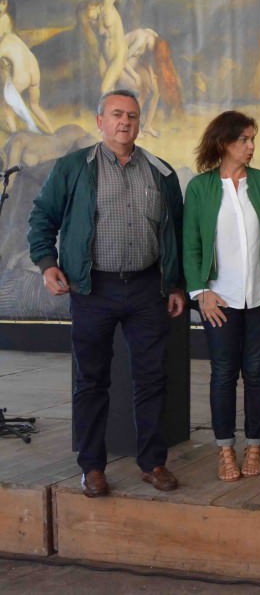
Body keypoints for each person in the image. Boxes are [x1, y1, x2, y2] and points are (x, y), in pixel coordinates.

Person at [27, 89, 185, 497]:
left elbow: (176, 234)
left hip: (148, 288)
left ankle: (152, 462)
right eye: (116, 114)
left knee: (152, 378)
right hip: (93, 288)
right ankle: (92, 467)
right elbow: (42, 218)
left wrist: (175, 284)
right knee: (91, 380)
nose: (125, 122)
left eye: (132, 115)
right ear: (100, 121)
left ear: (139, 122)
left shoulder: (160, 172)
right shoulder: (73, 168)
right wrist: (48, 264)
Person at [182, 111, 260, 482]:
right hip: (220, 301)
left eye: (252, 139)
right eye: (244, 140)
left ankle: (255, 447)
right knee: (223, 374)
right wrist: (201, 293)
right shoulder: (200, 188)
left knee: (257, 373)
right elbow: (192, 245)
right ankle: (225, 450)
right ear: (223, 143)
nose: (251, 146)